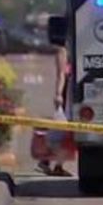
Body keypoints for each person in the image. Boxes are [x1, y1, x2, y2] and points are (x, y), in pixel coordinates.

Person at [37, 44, 72, 177]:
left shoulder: (76, 49)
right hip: (64, 96)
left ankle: (56, 165)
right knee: (62, 133)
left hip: (71, 95)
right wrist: (58, 94)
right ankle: (47, 161)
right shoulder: (63, 51)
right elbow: (61, 74)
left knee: (66, 134)